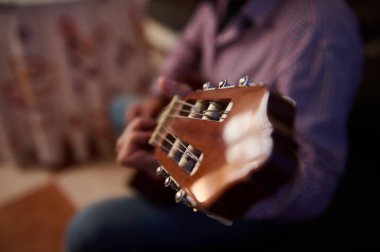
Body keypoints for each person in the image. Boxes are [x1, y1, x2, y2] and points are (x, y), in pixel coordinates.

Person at [65, 0, 363, 250]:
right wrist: (156, 101)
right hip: (200, 137)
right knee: (121, 108)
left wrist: (200, 188)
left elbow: (314, 189)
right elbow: (186, 47)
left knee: (87, 229)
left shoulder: (318, 30)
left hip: (250, 199)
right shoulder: (218, 3)